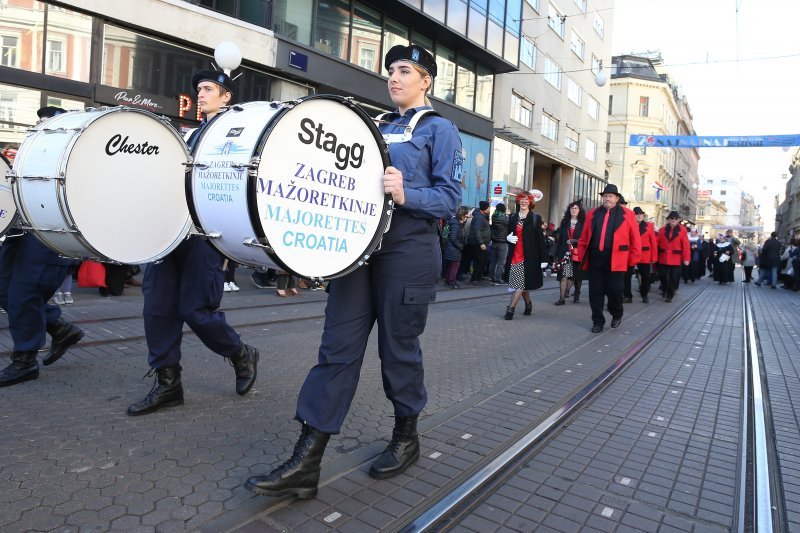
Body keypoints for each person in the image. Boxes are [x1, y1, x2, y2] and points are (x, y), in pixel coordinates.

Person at [244, 44, 461, 498]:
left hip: (408, 251)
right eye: (390, 71)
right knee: (336, 349)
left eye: (405, 70)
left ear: (426, 80)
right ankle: (308, 459)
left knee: (398, 349)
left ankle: (406, 437)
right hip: (359, 252)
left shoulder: (441, 130)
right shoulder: (373, 126)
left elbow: (450, 199)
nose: (394, 78)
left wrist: (408, 194)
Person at [127, 69, 259, 416]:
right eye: (198, 88)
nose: (200, 94)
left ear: (226, 95)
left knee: (196, 311)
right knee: (157, 308)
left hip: (205, 233)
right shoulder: (188, 135)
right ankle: (168, 385)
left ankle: (241, 353)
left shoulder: (240, 132)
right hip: (171, 230)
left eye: (207, 88)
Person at [0, 106, 85, 387]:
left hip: (47, 235)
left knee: (24, 294)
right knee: (4, 290)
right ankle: (59, 328)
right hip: (19, 232)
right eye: (39, 123)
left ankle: (24, 360)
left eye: (48, 124)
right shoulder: (28, 157)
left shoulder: (73, 160)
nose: (41, 128)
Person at [576, 184, 641, 333]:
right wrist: (581, 255)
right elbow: (584, 237)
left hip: (617, 259)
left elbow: (635, 239)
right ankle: (597, 321)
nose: (607, 198)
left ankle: (617, 314)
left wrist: (633, 259)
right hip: (596, 258)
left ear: (617, 198)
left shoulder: (628, 214)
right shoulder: (593, 214)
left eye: (610, 196)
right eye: (605, 196)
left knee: (615, 290)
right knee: (595, 292)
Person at [503, 190, 547, 319]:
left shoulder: (535, 218)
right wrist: (508, 238)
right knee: (520, 284)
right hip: (514, 255)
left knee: (519, 284)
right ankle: (528, 304)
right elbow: (508, 234)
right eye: (522, 199)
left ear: (530, 202)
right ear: (518, 200)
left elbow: (540, 239)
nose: (524, 201)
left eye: (526, 199)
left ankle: (510, 309)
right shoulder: (512, 217)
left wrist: (543, 258)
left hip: (529, 256)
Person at [553, 200, 585, 305]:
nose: (574, 210)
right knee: (564, 275)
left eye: (576, 208)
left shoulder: (584, 223)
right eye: (572, 208)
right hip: (565, 253)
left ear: (579, 210)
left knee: (577, 277)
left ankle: (576, 295)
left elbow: (586, 239)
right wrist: (556, 255)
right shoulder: (565, 222)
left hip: (578, 254)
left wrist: (576, 241)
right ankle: (561, 298)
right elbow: (560, 240)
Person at [656, 211, 691, 300]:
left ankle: (670, 295)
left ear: (678, 220)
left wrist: (686, 258)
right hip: (663, 257)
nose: (673, 220)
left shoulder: (682, 230)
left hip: (676, 258)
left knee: (673, 278)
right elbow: (657, 243)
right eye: (672, 218)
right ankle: (664, 289)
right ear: (668, 220)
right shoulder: (662, 230)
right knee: (662, 276)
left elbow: (686, 245)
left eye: (675, 219)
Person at [632, 207, 657, 303]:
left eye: (641, 214)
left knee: (645, 277)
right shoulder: (629, 225)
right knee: (625, 276)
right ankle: (627, 295)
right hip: (632, 254)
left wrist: (654, 257)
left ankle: (644, 294)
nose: (639, 215)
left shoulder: (649, 226)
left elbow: (653, 242)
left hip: (645, 255)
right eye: (637, 214)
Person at [443, 207, 469, 289]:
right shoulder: (456, 225)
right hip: (454, 249)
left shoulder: (457, 223)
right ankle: (452, 282)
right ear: (462, 216)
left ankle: (448, 280)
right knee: (455, 265)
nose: (468, 216)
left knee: (451, 265)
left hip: (453, 248)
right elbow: (453, 238)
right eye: (466, 215)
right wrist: (460, 246)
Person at [466, 201, 491, 284]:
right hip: (478, 243)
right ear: (485, 208)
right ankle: (475, 278)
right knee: (480, 260)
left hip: (480, 242)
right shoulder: (479, 217)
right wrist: (481, 243)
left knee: (482, 260)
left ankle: (478, 276)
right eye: (488, 207)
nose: (489, 208)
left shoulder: (481, 216)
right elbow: (477, 230)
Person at [488, 203, 509, 284]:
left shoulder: (494, 216)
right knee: (501, 261)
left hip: (494, 241)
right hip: (503, 242)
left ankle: (491, 276)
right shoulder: (505, 218)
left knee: (494, 260)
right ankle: (498, 278)